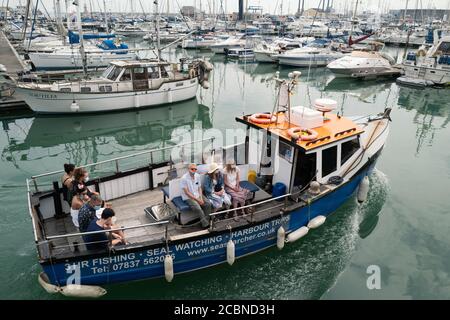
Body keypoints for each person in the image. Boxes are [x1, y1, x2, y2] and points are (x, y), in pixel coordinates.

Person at [180, 163, 211, 228]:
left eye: (195, 169)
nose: (194, 170)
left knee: (208, 203)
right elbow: (187, 192)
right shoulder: (184, 178)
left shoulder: (197, 176)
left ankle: (206, 221)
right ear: (188, 169)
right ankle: (205, 225)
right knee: (198, 208)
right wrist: (198, 200)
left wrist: (201, 198)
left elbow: (199, 188)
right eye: (192, 169)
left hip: (197, 194)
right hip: (188, 197)